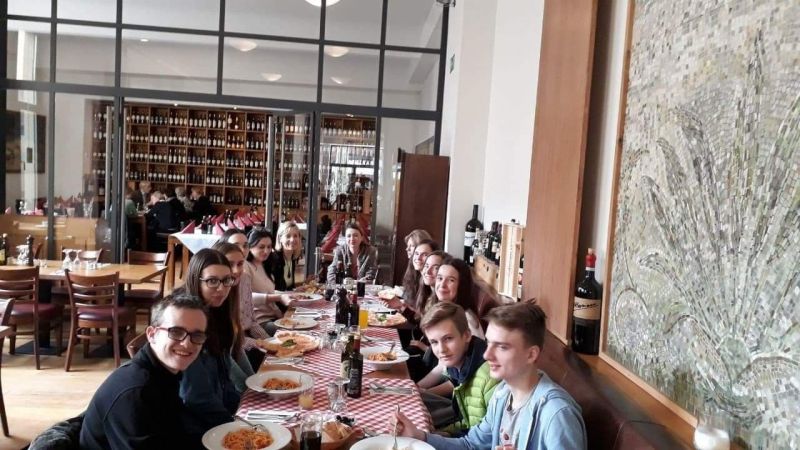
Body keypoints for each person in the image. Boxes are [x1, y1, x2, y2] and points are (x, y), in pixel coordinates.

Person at [393, 302, 587, 450]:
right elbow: (471, 445)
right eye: (489, 343)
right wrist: (419, 436)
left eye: (502, 347)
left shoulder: (557, 414)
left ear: (531, 354)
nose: (486, 355)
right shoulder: (503, 394)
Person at [79, 294, 208, 449]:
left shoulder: (164, 372)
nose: (187, 344)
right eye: (176, 332)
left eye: (197, 335)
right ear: (152, 334)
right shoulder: (136, 392)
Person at [173, 248, 247, 437]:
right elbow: (195, 396)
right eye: (212, 281)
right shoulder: (184, 321)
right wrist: (233, 426)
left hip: (216, 414)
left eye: (226, 280)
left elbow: (225, 380)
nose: (221, 289)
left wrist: (243, 409)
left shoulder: (217, 312)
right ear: (195, 280)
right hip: (191, 428)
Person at [417, 302, 500, 434]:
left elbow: (486, 437)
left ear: (467, 335)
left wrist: (437, 437)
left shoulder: (489, 377)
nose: (442, 349)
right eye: (434, 342)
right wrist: (442, 433)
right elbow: (466, 422)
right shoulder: (457, 365)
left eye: (448, 339)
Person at [213, 241, 271, 370]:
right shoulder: (217, 292)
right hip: (228, 347)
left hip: (242, 340)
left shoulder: (244, 279)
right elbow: (228, 339)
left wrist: (270, 343)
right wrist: (259, 343)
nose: (236, 270)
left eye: (240, 264)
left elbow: (252, 322)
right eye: (230, 264)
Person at [245, 228, 298, 335]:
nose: (266, 251)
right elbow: (246, 296)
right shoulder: (246, 266)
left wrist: (288, 295)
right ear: (250, 246)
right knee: (296, 333)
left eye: (269, 247)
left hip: (272, 317)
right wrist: (279, 297)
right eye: (261, 247)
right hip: (259, 321)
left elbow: (270, 292)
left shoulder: (264, 264)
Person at [429, 257, 485, 340]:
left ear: (462, 286)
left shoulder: (467, 319)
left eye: (451, 280)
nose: (442, 285)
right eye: (440, 278)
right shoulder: (442, 309)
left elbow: (478, 347)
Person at [402, 240, 440, 313]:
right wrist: (401, 306)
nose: (418, 258)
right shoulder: (418, 278)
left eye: (424, 254)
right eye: (416, 253)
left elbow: (422, 317)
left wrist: (402, 307)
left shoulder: (432, 283)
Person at [271, 220, 303, 291]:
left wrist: (304, 284)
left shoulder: (293, 258)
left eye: (295, 236)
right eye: (288, 236)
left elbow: (288, 288)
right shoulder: (274, 259)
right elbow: (274, 290)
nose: (292, 240)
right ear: (280, 239)